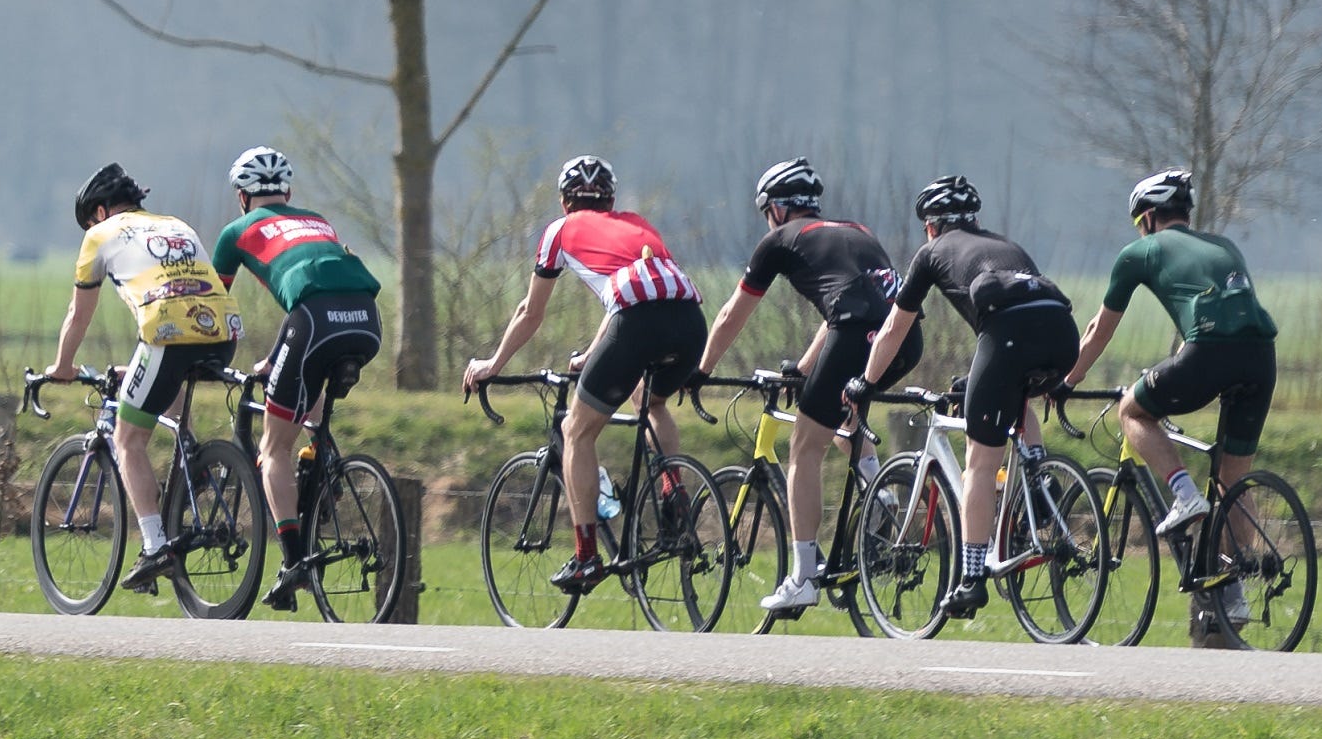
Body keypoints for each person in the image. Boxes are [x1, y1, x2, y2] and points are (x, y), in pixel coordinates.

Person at [461, 156, 704, 599]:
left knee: (575, 431)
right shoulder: (637, 222)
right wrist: (593, 352)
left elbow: (530, 312)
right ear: (610, 198)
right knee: (651, 402)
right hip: (691, 322)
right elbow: (643, 286)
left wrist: (492, 364)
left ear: (564, 200)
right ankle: (675, 491)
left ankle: (586, 556)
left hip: (636, 324)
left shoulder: (559, 231)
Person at [858, 173, 1077, 623]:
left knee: (980, 461)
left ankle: (971, 579)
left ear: (932, 225)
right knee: (1018, 396)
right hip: (1062, 338)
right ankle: (1038, 481)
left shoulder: (932, 252)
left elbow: (894, 330)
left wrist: (866, 382)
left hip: (1010, 338)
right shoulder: (1006, 245)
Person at [697, 157, 909, 618]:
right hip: (904, 339)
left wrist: (703, 369)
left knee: (803, 448)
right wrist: (807, 368)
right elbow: (845, 308)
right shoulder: (858, 229)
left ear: (775, 208)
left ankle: (804, 576)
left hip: (857, 335)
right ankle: (878, 490)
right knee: (839, 414)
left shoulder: (779, 241)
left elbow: (734, 312)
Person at [1074, 166, 1280, 636]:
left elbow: (1099, 329)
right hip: (1262, 358)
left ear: (1147, 217)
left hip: (1210, 350)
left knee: (1132, 409)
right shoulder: (1225, 245)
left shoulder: (1139, 252)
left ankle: (1184, 494)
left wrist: (1068, 378)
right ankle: (1232, 594)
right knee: (1232, 484)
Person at [201, 147, 386, 610]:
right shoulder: (318, 220)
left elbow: (215, 306)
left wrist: (203, 356)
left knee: (271, 447)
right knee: (308, 387)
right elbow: (319, 282)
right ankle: (324, 463)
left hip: (313, 322)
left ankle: (293, 563)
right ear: (288, 193)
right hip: (366, 318)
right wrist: (273, 358)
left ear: (242, 196)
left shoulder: (235, 231)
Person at [40, 162, 236, 595]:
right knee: (157, 380)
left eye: (89, 220)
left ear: (100, 211)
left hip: (168, 331)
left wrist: (62, 366)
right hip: (223, 331)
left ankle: (154, 546)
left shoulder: (99, 236)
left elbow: (79, 314)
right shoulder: (174, 224)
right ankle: (194, 463)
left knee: (129, 440)